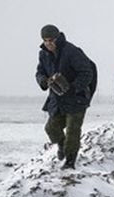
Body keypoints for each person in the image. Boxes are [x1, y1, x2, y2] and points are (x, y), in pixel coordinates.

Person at [36, 24, 96, 169]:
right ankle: (62, 146)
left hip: (76, 99)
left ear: (57, 38)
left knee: (72, 131)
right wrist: (44, 81)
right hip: (57, 99)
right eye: (45, 40)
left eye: (51, 40)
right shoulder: (43, 54)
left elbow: (87, 73)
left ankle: (70, 161)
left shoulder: (72, 51)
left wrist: (73, 87)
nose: (48, 43)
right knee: (51, 128)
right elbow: (39, 72)